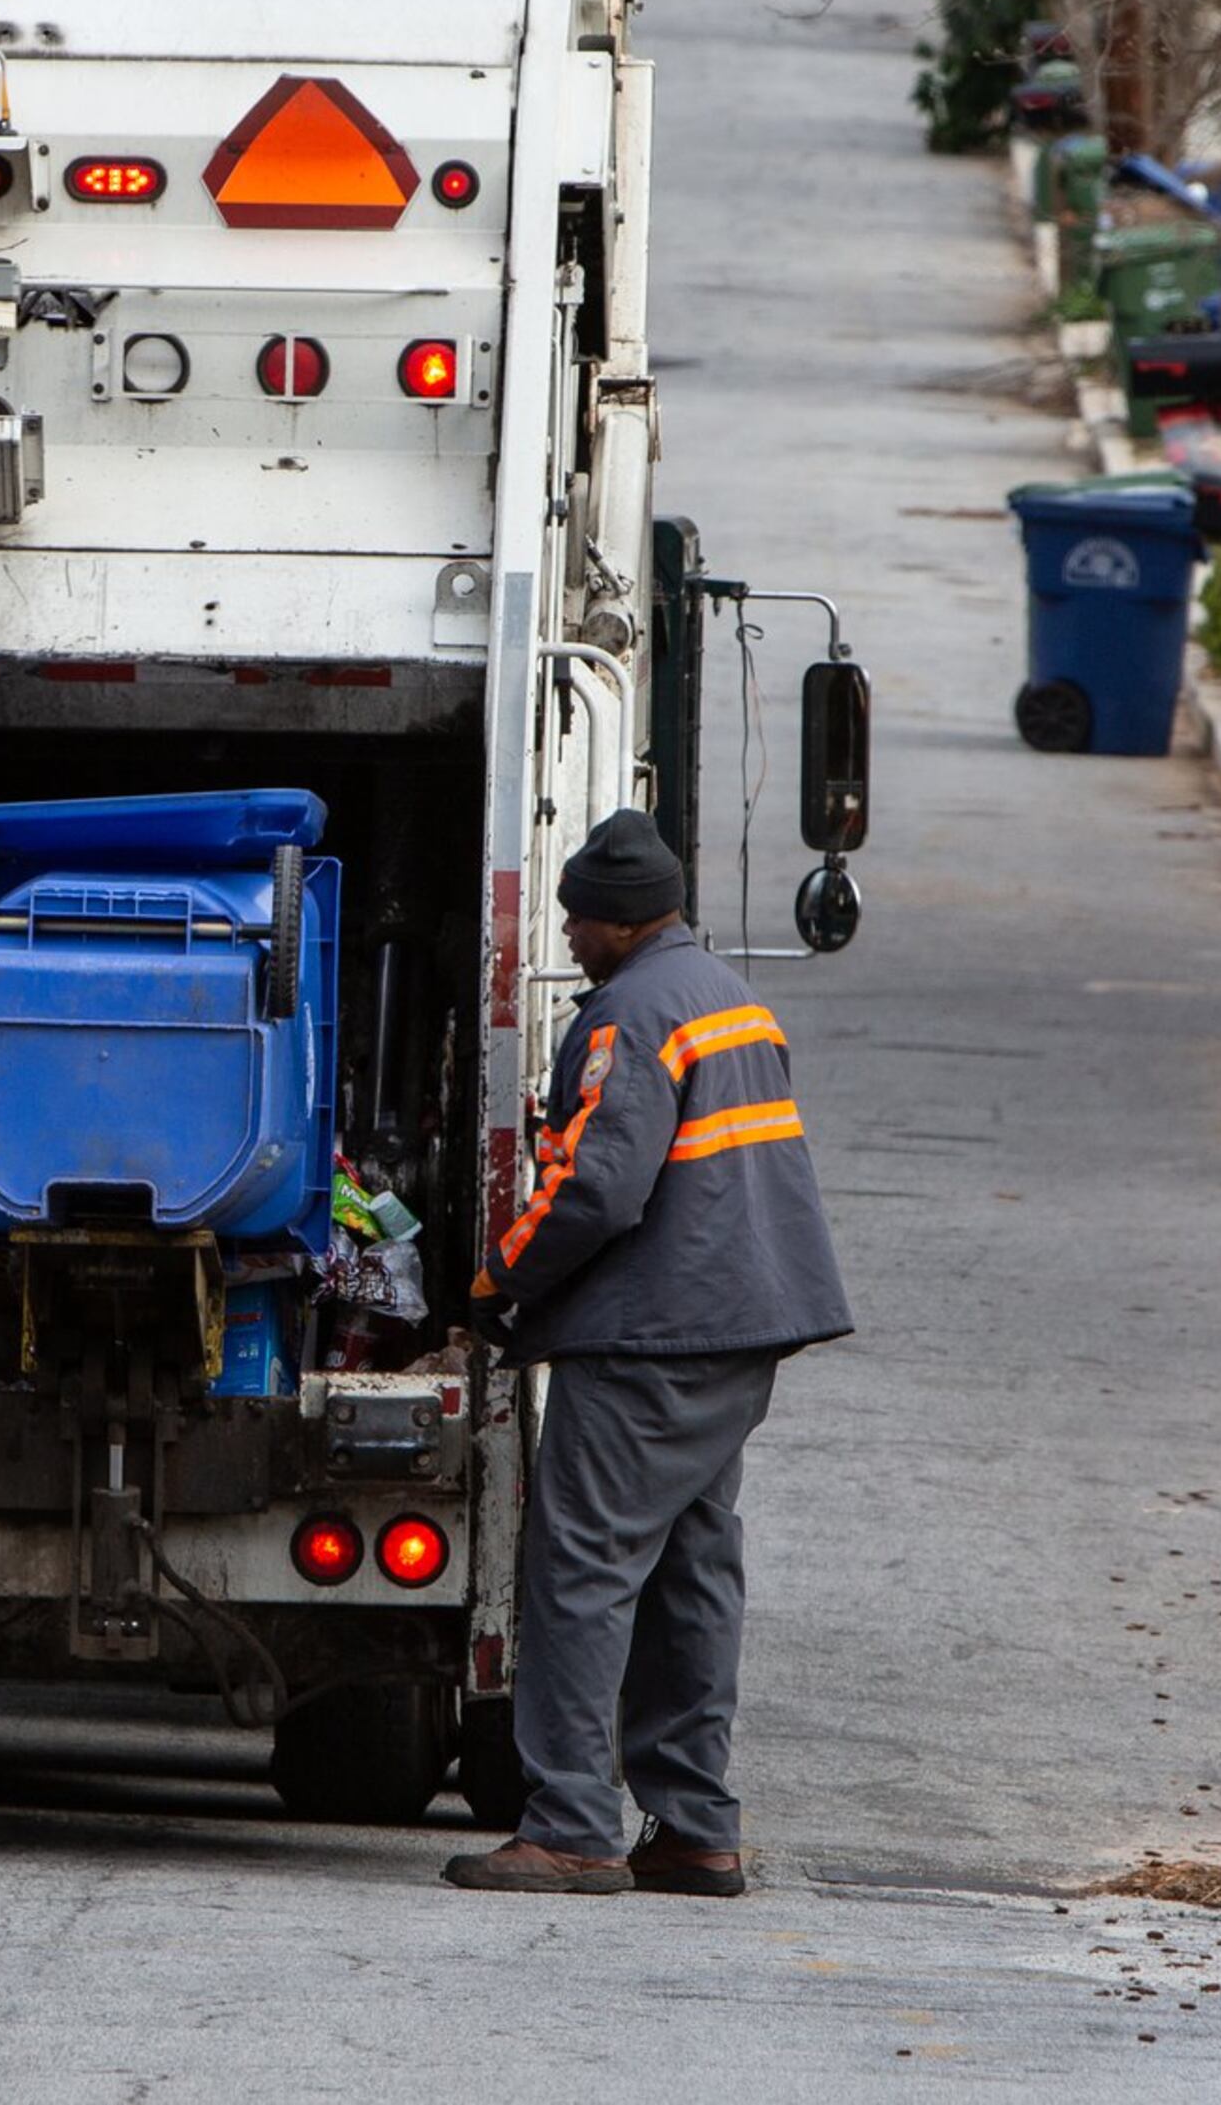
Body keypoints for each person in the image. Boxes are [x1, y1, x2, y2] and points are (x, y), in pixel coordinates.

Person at [442, 811, 852, 1898]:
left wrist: (497, 1279)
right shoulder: (729, 998)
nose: (568, 934)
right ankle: (693, 1826)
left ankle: (572, 1823)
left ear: (622, 923)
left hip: (651, 1335)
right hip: (736, 1329)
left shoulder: (631, 1014)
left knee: (581, 1568)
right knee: (689, 1571)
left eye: (578, 916)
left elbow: (596, 1186)